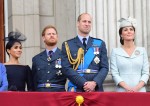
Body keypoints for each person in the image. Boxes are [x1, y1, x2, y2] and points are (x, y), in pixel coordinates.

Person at [61, 13, 109, 92]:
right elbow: (66, 68)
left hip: (95, 88)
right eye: (84, 21)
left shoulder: (99, 43)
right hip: (77, 87)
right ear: (78, 23)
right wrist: (84, 83)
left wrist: (94, 83)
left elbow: (105, 67)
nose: (87, 24)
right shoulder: (68, 45)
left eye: (89, 22)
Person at [110, 17, 149, 92]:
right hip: (122, 91)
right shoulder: (115, 52)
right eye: (125, 30)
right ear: (121, 34)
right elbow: (114, 74)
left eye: (131, 29)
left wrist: (136, 88)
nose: (129, 32)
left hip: (140, 91)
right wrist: (128, 88)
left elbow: (146, 73)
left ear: (134, 33)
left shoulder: (142, 51)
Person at [32, 25, 66, 92]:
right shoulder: (37, 59)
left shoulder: (64, 56)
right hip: (41, 95)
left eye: (53, 34)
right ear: (43, 38)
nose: (51, 35)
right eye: (49, 34)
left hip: (58, 94)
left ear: (57, 37)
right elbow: (34, 82)